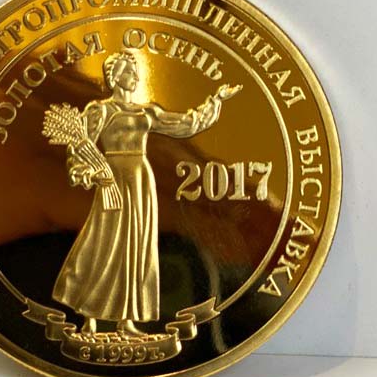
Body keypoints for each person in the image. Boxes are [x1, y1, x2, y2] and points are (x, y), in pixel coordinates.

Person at [52, 51, 241, 337]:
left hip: (141, 178)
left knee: (136, 247)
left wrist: (216, 100)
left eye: (136, 71)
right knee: (105, 242)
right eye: (130, 72)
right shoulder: (99, 111)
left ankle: (126, 321)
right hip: (112, 178)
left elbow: (186, 125)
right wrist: (92, 175)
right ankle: (89, 318)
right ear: (116, 77)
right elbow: (78, 150)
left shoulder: (146, 112)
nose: (135, 76)